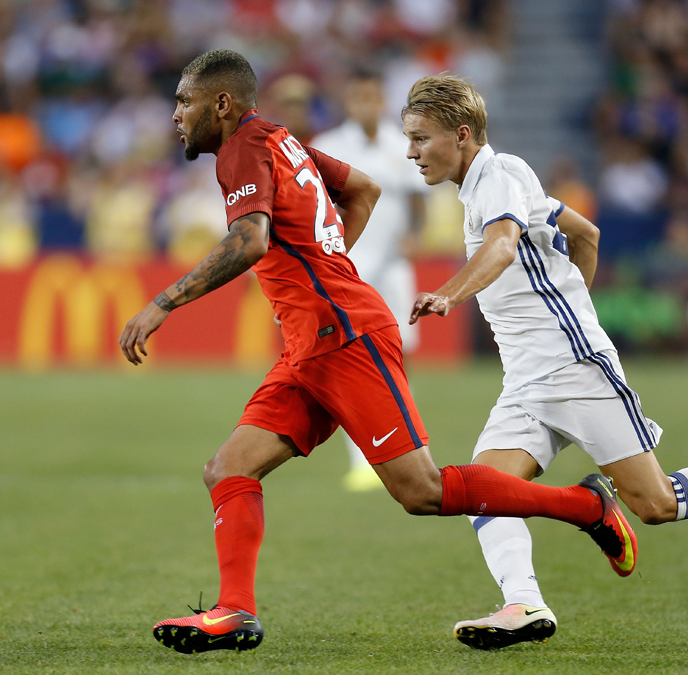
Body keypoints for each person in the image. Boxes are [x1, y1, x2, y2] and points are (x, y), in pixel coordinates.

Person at [119, 50, 640, 654]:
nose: (176, 114)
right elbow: (362, 190)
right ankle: (235, 611)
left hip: (344, 338)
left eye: (184, 101)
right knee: (229, 468)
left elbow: (251, 238)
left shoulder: (241, 149)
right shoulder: (281, 140)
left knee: (422, 491)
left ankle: (585, 506)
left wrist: (163, 303)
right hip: (311, 342)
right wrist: (332, 265)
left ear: (222, 104)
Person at [402, 74, 688, 652]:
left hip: (573, 370)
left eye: (420, 138)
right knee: (483, 491)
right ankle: (525, 603)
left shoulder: (500, 174)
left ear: (461, 134)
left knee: (657, 504)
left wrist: (450, 295)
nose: (411, 152)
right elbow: (585, 233)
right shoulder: (496, 186)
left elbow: (501, 245)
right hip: (527, 379)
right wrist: (573, 307)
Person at [310, 69, 427, 493]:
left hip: (394, 267)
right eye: (358, 97)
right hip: (348, 271)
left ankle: (403, 446)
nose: (366, 105)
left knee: (400, 357)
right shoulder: (329, 148)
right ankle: (362, 459)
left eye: (372, 97)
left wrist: (416, 233)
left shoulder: (404, 147)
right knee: (351, 359)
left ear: (383, 101)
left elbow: (418, 201)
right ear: (348, 101)